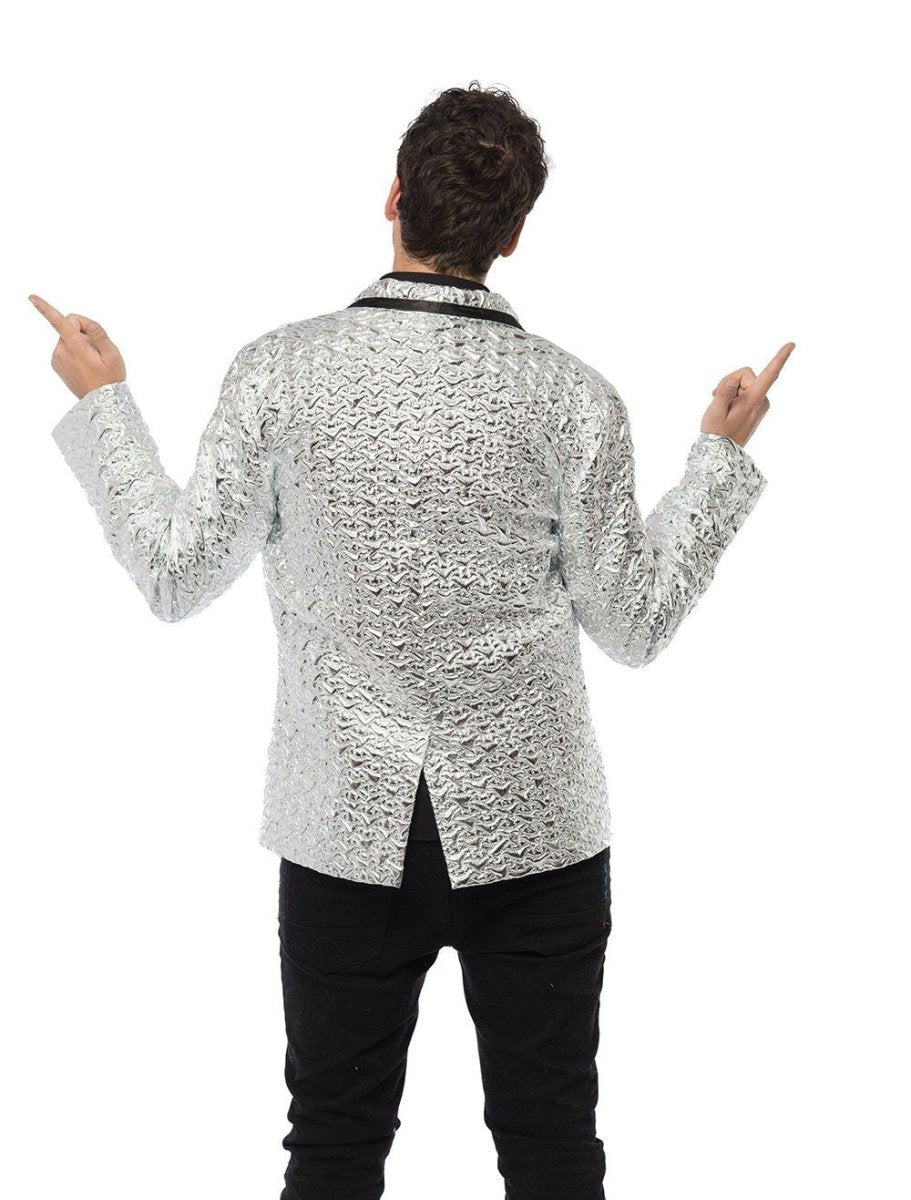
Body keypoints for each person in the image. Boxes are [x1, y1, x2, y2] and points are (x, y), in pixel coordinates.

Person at [33, 81, 794, 1200]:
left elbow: (175, 573)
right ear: (514, 233)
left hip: (343, 829)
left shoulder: (278, 371)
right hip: (536, 835)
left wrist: (106, 400)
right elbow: (633, 624)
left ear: (392, 197)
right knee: (551, 1152)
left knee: (332, 1152)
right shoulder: (573, 398)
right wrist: (718, 460)